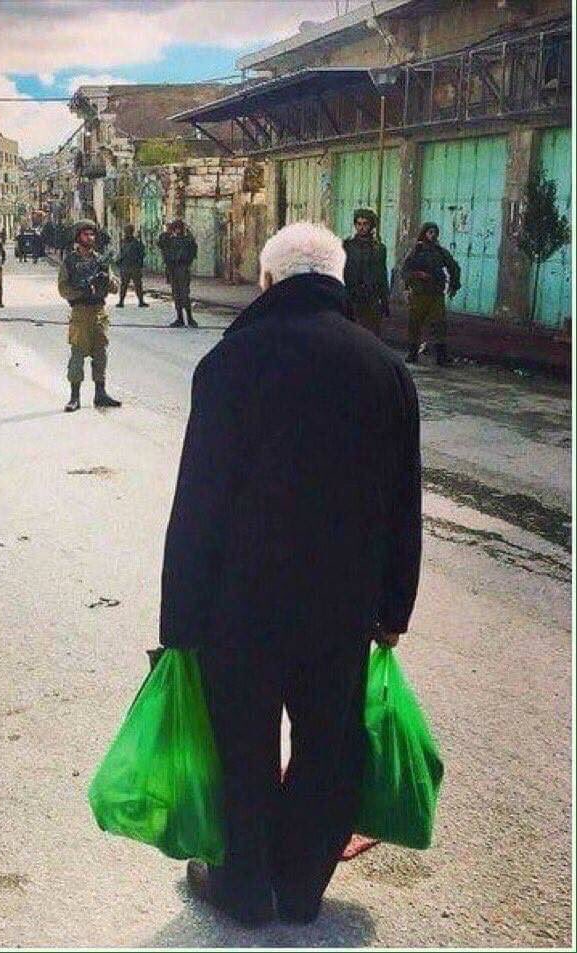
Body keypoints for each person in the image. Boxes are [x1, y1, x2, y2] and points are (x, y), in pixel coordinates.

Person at [159, 222, 421, 927]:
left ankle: (243, 887)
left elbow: (198, 502)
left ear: (267, 282)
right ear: (336, 282)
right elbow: (404, 503)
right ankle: (302, 886)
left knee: (242, 741)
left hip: (239, 603)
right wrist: (394, 607)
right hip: (341, 607)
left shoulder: (229, 363)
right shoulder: (384, 369)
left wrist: (177, 621)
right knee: (325, 742)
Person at [57, 219, 121, 412]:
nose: (90, 237)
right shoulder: (70, 262)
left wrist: (106, 280)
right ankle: (74, 396)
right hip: (81, 312)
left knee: (100, 354)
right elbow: (63, 289)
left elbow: (116, 288)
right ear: (78, 237)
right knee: (77, 355)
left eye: (92, 234)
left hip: (99, 313)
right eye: (85, 234)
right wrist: (82, 291)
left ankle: (100, 393)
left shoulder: (100, 261)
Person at [400, 222, 461, 366]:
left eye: (434, 232)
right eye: (429, 232)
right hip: (419, 294)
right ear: (424, 233)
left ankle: (441, 355)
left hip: (435, 294)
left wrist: (454, 284)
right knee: (414, 323)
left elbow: (453, 267)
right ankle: (412, 353)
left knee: (439, 323)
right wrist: (416, 276)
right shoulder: (416, 251)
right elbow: (405, 270)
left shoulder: (440, 252)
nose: (432, 236)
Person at [342, 208, 389, 336]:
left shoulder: (379, 248)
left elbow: (382, 274)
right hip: (352, 296)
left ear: (371, 225)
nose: (361, 227)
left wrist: (385, 300)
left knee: (372, 335)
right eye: (358, 224)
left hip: (371, 296)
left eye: (365, 224)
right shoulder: (347, 246)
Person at [160, 219, 198, 327]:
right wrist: (168, 231)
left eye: (178, 228)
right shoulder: (170, 240)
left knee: (184, 295)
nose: (177, 230)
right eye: (175, 228)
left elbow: (193, 249)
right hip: (173, 269)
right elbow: (161, 242)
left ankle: (189, 319)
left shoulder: (187, 240)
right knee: (177, 295)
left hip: (182, 269)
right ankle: (180, 318)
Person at [115, 224, 148, 308]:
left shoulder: (124, 242)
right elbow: (142, 254)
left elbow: (121, 254)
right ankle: (139, 301)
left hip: (128, 266)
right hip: (133, 267)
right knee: (136, 285)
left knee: (126, 285)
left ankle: (122, 301)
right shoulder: (135, 242)